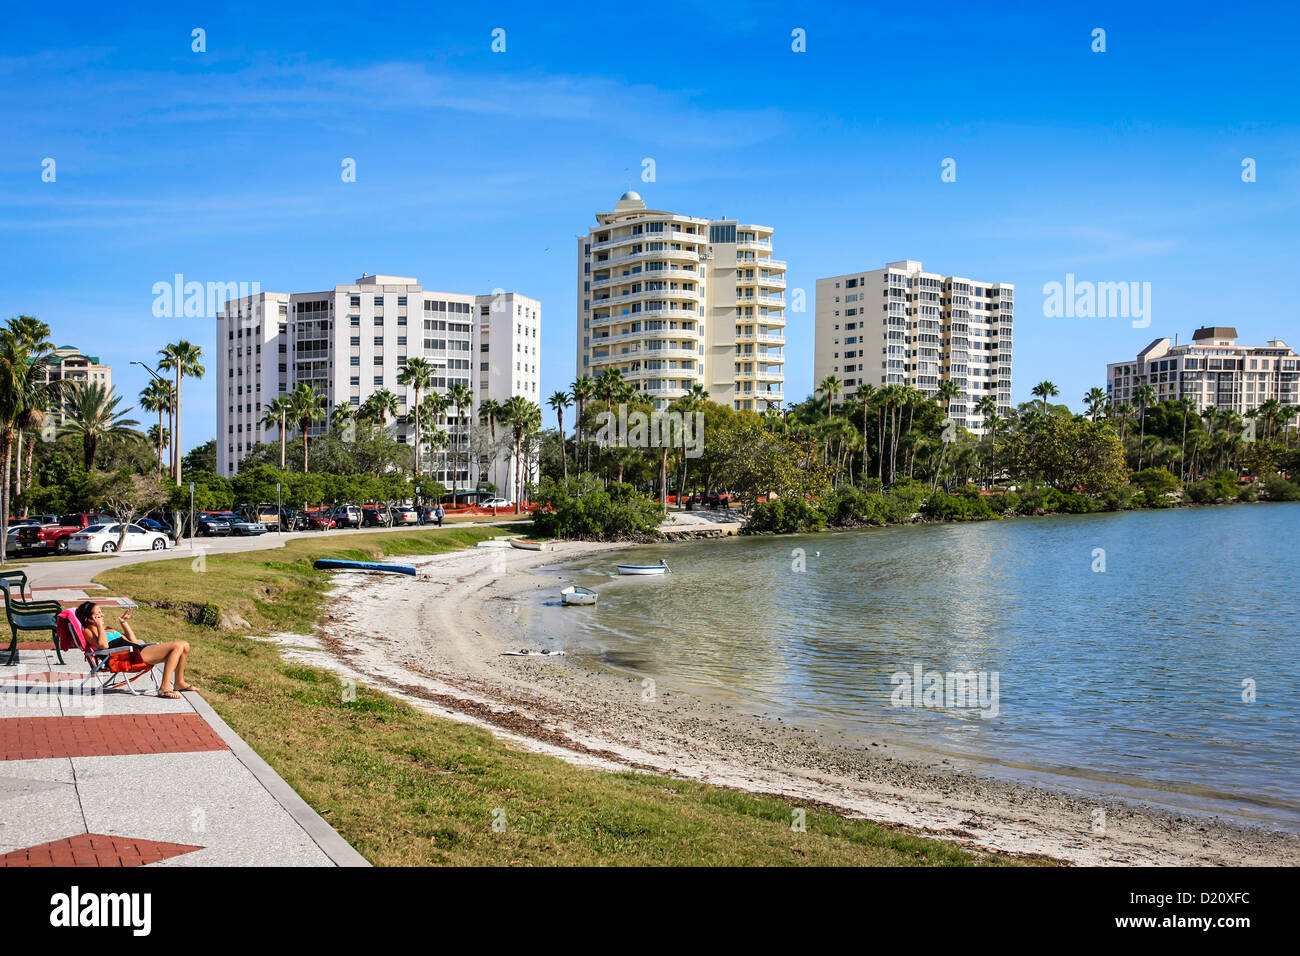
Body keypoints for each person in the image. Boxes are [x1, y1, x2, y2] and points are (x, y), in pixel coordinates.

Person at [75, 602, 194, 700]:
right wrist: (99, 626)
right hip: (126, 657)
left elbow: (134, 643)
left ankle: (179, 682)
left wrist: (124, 623)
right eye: (98, 614)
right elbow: (104, 645)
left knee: (185, 645)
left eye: (101, 612)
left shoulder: (108, 629)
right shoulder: (88, 631)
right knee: (178, 646)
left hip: (135, 651)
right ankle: (164, 687)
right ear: (90, 619)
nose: (103, 615)